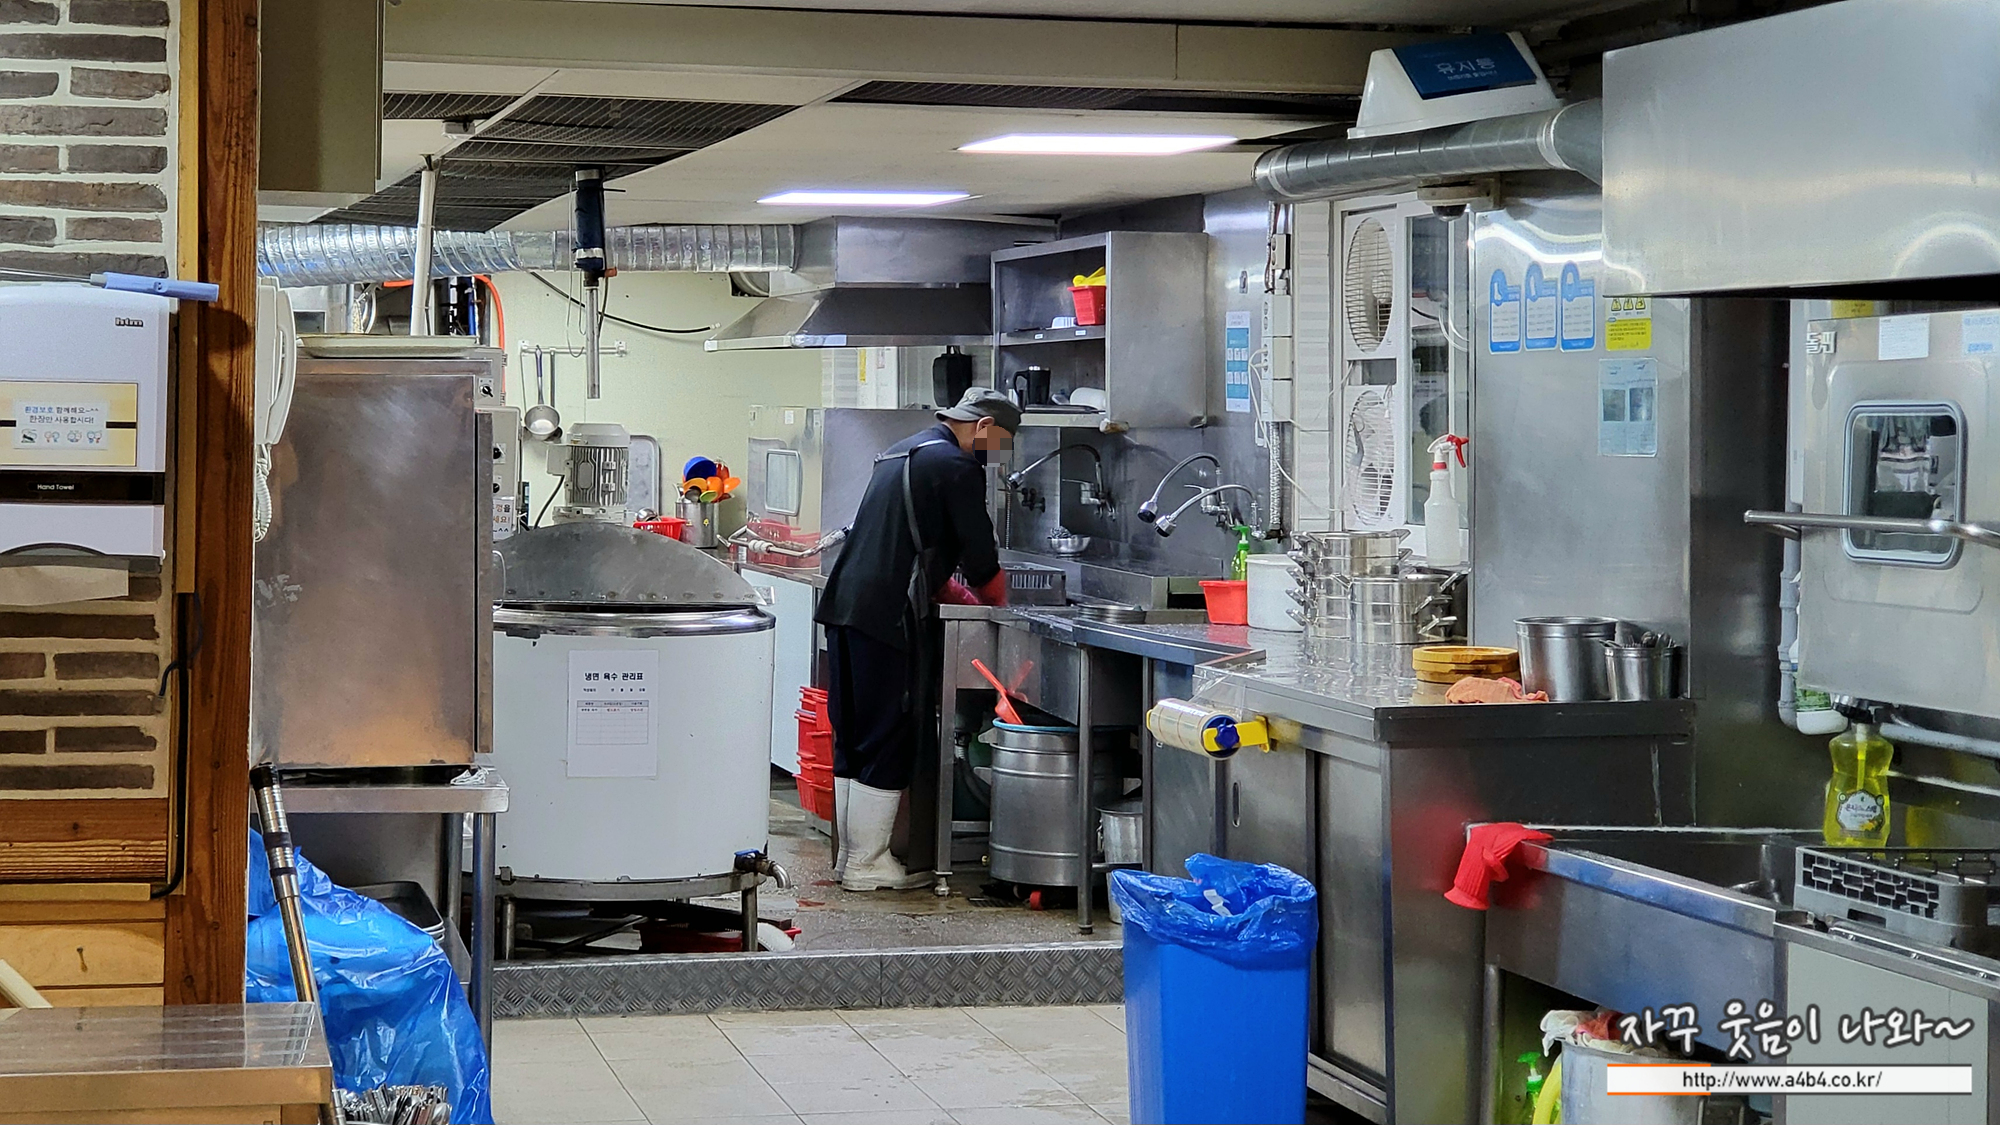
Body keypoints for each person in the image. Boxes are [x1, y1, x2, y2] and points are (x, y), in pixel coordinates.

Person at [815, 388, 1018, 891]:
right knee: (888, 732)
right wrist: (999, 607)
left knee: (854, 735)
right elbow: (981, 559)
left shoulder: (900, 451)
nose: (997, 456)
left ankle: (850, 859)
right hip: (889, 616)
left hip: (846, 605)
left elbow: (905, 538)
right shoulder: (956, 465)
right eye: (1001, 443)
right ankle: (867, 863)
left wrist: (947, 588)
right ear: (984, 426)